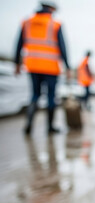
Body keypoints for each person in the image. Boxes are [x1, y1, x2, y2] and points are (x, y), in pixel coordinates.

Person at [15, 1, 71, 135]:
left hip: (32, 65)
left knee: (35, 95)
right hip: (50, 67)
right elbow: (62, 47)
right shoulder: (55, 24)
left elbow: (18, 44)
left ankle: (29, 125)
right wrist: (68, 67)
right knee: (51, 96)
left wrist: (17, 64)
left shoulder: (27, 22)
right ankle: (50, 127)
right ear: (50, 9)